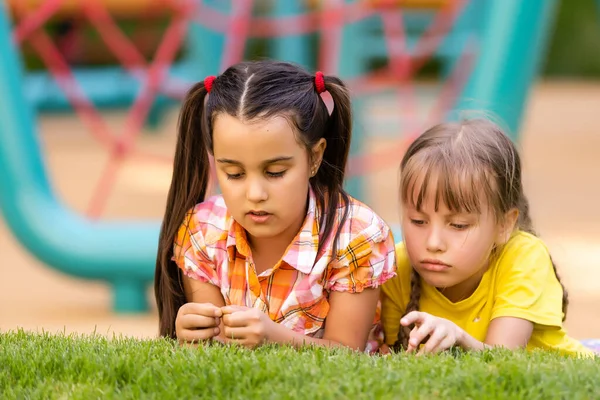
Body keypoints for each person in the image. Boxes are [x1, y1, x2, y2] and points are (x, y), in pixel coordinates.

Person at [154, 60, 396, 352]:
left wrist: (274, 337)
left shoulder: (355, 236)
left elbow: (348, 354)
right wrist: (194, 333)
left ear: (315, 157)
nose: (255, 193)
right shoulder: (203, 231)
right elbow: (214, 354)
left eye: (275, 172)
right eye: (234, 174)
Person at [380, 118, 595, 357]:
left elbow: (503, 358)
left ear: (504, 225)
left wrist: (458, 336)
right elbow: (389, 356)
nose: (433, 243)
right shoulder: (396, 265)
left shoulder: (522, 257)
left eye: (458, 225)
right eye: (418, 221)